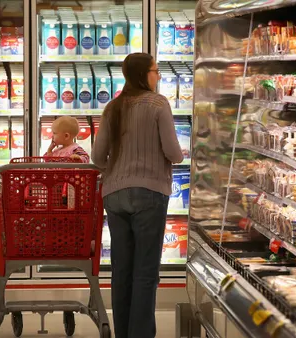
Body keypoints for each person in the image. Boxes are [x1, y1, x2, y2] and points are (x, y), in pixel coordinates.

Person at [91, 53, 183, 338]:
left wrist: (120, 169)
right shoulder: (158, 103)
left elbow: (97, 157)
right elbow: (173, 152)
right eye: (156, 71)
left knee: (122, 271)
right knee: (145, 271)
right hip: (150, 194)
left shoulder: (113, 107)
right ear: (145, 74)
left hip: (115, 195)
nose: (158, 76)